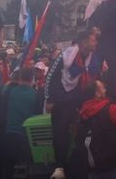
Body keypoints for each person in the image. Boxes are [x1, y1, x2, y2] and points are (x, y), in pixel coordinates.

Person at [47, 29, 103, 179]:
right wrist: (50, 99)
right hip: (63, 99)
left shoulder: (94, 59)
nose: (96, 43)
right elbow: (50, 76)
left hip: (81, 100)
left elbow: (96, 76)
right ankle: (59, 167)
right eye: (93, 40)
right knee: (61, 131)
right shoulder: (65, 56)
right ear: (84, 42)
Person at [0, 67, 37, 179]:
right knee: (27, 168)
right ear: (32, 79)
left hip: (9, 135)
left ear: (20, 77)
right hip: (27, 138)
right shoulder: (36, 94)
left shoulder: (9, 92)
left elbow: (0, 112)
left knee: (7, 167)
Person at [88, 0, 116, 95]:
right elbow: (112, 20)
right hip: (113, 43)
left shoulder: (103, 3)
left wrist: (97, 29)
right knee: (113, 72)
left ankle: (94, 93)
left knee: (96, 70)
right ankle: (111, 95)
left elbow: (93, 19)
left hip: (100, 43)